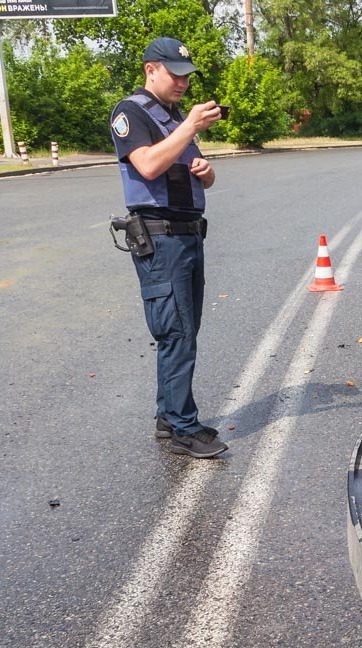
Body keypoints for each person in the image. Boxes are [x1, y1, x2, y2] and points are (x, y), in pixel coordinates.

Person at [109, 37, 227, 458]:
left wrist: (206, 172)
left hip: (187, 233)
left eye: (186, 76)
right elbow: (148, 165)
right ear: (150, 69)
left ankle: (168, 417)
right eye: (174, 74)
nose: (182, 82)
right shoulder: (132, 112)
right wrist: (190, 127)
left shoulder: (172, 117)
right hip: (160, 238)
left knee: (183, 330)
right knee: (176, 331)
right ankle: (183, 427)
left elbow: (190, 177)